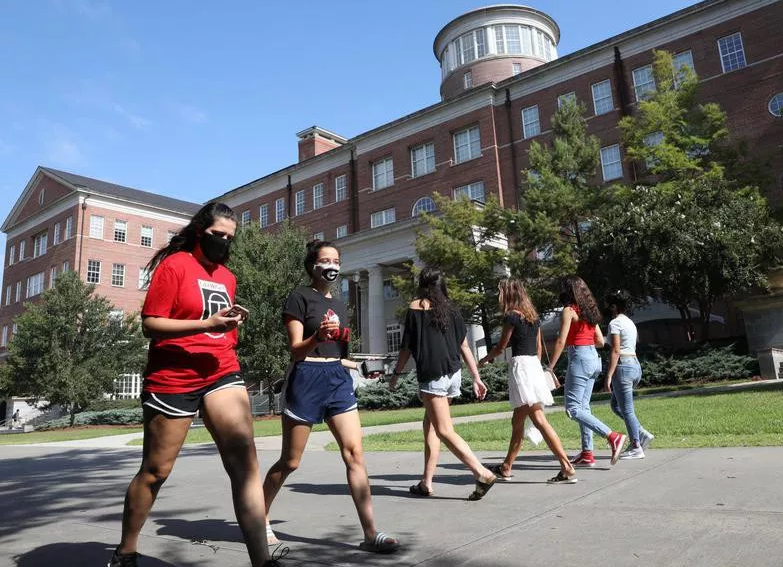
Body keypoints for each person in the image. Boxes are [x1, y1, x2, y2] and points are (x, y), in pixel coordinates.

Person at [109, 202, 277, 567]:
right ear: (200, 230)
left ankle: (262, 562)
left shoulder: (227, 277)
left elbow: (216, 321)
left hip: (221, 369)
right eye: (218, 234)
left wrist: (228, 323)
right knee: (156, 471)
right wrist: (206, 324)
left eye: (230, 238)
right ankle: (126, 551)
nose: (224, 242)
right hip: (174, 376)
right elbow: (151, 324)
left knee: (245, 465)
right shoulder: (175, 266)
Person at [262, 240, 399, 554]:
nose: (332, 265)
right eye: (325, 260)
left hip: (337, 380)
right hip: (305, 378)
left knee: (355, 455)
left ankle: (369, 533)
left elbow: (335, 354)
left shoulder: (339, 304)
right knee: (291, 461)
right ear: (313, 265)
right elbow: (297, 349)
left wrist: (362, 367)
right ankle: (260, 516)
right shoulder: (298, 297)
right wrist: (317, 336)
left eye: (336, 260)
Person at [389, 267, 497, 500]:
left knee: (444, 430)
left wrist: (396, 374)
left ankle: (481, 472)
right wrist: (476, 377)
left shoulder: (415, 308)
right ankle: (426, 482)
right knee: (431, 426)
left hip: (433, 375)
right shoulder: (452, 309)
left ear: (422, 285)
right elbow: (464, 346)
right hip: (453, 373)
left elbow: (406, 348)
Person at [478, 279, 576, 483]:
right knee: (517, 421)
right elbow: (539, 349)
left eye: (501, 292)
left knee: (539, 420)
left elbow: (500, 347)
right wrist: (536, 371)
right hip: (532, 365)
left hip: (521, 367)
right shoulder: (534, 318)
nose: (499, 296)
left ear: (509, 294)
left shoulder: (511, 317)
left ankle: (566, 466)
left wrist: (483, 360)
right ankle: (506, 466)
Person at [547, 275, 627, 468]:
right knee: (583, 408)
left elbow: (560, 341)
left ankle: (613, 437)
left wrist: (550, 368)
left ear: (567, 291)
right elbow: (600, 341)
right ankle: (587, 453)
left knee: (573, 409)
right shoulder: (589, 311)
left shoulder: (569, 311)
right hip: (593, 358)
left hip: (580, 358)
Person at [603, 291, 654, 459]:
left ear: (614, 306)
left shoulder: (615, 323)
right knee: (616, 406)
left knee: (627, 410)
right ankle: (641, 433)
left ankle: (636, 446)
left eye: (610, 306)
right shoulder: (630, 322)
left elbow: (616, 350)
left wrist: (609, 375)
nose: (609, 309)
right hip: (635, 366)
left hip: (623, 367)